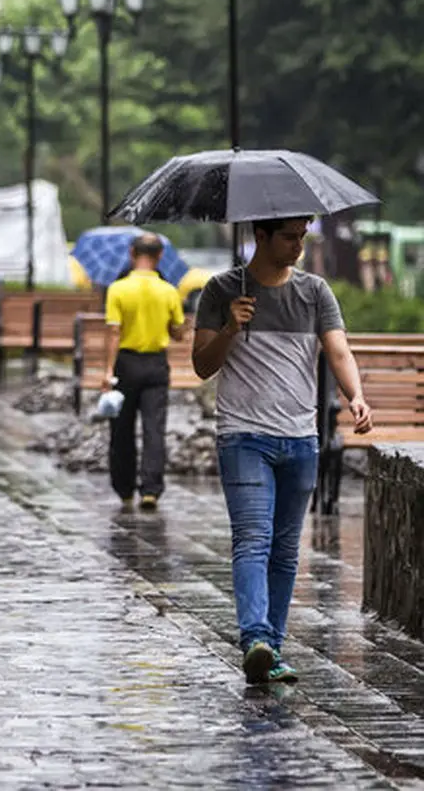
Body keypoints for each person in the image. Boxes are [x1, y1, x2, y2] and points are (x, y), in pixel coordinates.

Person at [193, 216, 373, 685]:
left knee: (286, 550)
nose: (298, 245)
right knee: (253, 539)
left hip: (301, 440)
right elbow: (201, 365)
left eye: (302, 236)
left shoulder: (315, 292)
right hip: (243, 437)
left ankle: (270, 648)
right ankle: (254, 637)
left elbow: (338, 351)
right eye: (289, 237)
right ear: (261, 236)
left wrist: (354, 394)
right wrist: (231, 327)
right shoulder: (220, 291)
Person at [101, 233, 187, 510]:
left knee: (122, 428)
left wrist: (107, 371)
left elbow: (114, 333)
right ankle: (150, 489)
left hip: (126, 364)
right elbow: (178, 332)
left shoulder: (118, 289)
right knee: (154, 428)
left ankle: (124, 488)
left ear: (131, 253)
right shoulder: (169, 291)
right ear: (160, 256)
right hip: (156, 365)